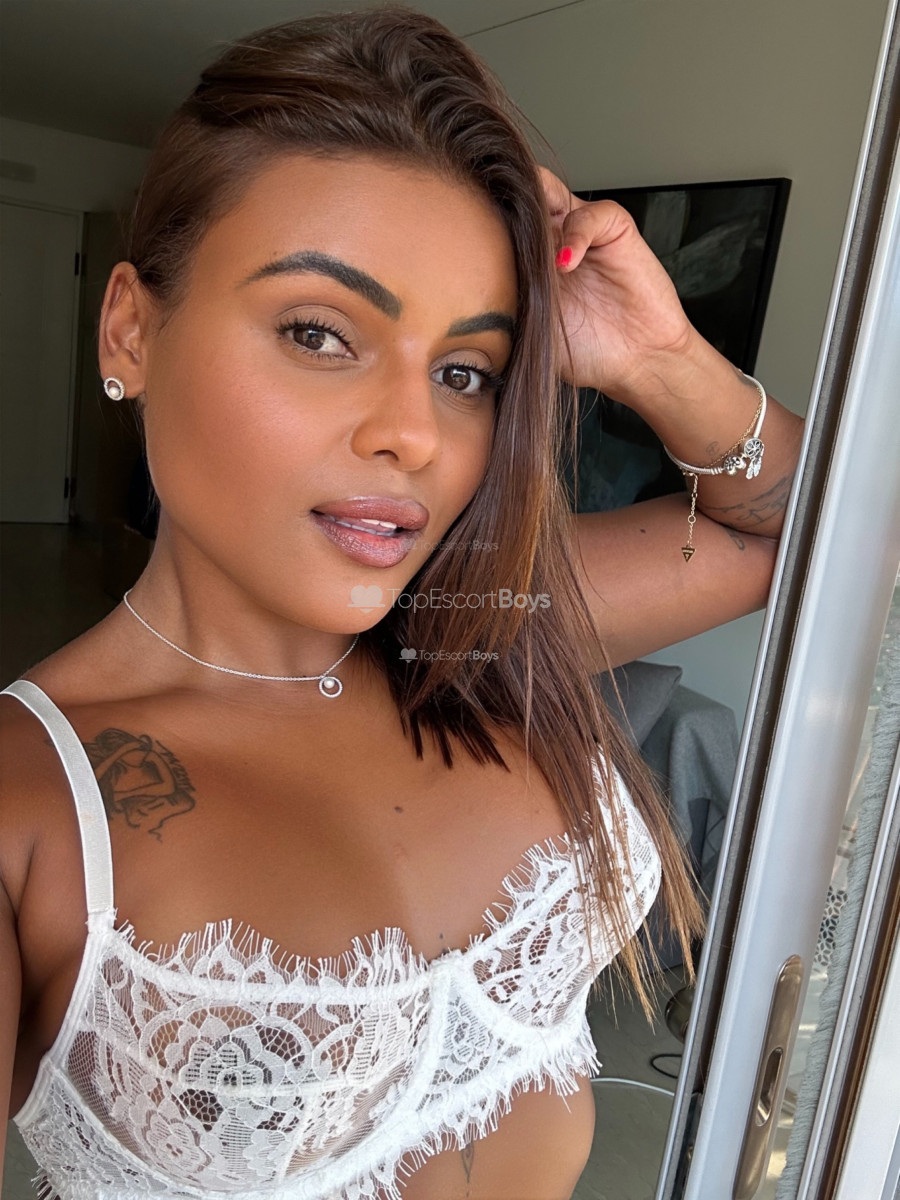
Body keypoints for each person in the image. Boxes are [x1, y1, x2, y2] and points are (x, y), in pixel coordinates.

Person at [0, 8, 804, 1199]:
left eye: (466, 370)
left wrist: (658, 361)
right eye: (319, 333)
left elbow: (811, 542)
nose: (415, 435)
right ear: (131, 328)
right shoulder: (29, 802)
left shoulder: (488, 624)